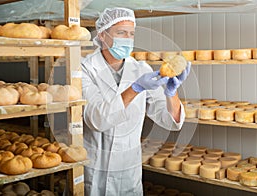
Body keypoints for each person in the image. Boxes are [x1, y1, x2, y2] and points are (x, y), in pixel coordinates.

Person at [81, 7, 191, 196]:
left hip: (127, 168)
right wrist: (135, 89)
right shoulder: (85, 69)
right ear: (102, 34)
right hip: (96, 166)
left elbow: (170, 121)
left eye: (131, 34)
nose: (127, 39)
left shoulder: (140, 69)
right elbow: (97, 119)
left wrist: (171, 93)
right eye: (121, 32)